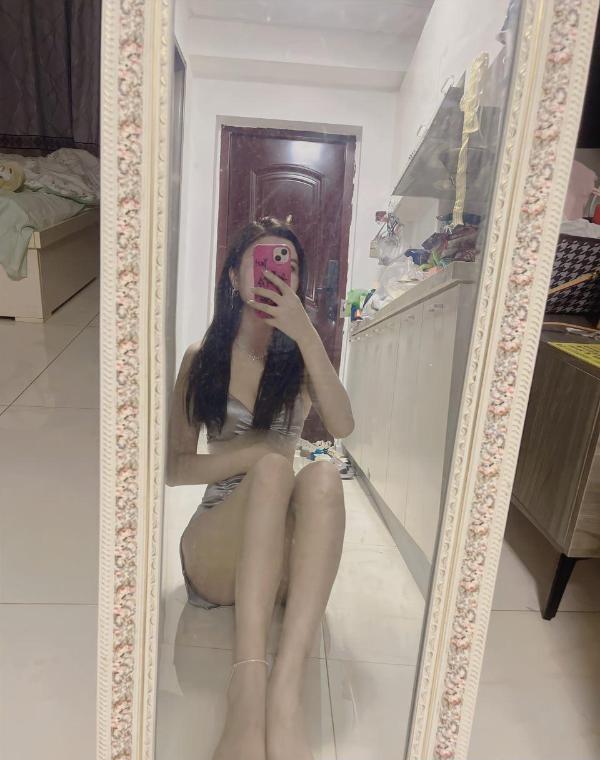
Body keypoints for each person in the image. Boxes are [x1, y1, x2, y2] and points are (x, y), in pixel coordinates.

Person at [166, 216, 354, 760]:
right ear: (233, 276)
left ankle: (285, 690)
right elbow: (175, 468)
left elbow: (343, 425)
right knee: (274, 469)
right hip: (218, 547)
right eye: (264, 261)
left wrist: (306, 333)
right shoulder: (202, 359)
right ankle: (247, 688)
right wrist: (256, 456)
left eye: (287, 266)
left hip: (280, 557)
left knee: (322, 475)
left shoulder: (299, 361)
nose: (277, 273)